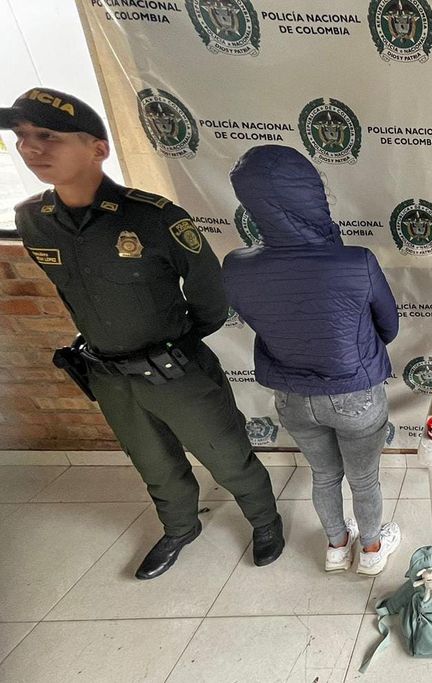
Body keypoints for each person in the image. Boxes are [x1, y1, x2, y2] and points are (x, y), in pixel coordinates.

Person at [3, 88, 283, 579]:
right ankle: (180, 528)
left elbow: (211, 298)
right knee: (152, 462)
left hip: (175, 369)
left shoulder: (154, 218)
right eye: (23, 137)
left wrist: (174, 345)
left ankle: (264, 520)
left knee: (225, 452)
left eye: (48, 136)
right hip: (108, 373)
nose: (31, 149)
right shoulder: (32, 220)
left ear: (97, 148)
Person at [222, 144, 401, 575]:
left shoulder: (236, 265)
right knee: (364, 479)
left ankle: (337, 548)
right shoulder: (355, 261)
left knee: (323, 475)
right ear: (309, 196)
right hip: (354, 392)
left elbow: (268, 323)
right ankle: (373, 551)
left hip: (293, 396)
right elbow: (389, 327)